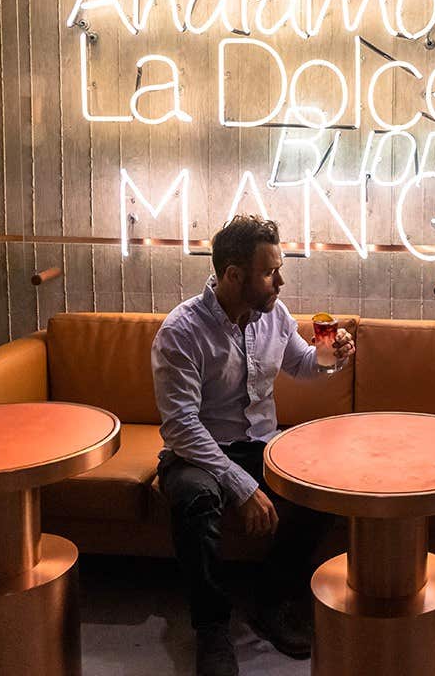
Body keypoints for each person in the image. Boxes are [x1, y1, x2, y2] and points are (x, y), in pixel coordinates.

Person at [152, 215, 354, 676]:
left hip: (262, 444)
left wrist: (332, 357)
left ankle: (272, 601)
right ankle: (212, 629)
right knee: (195, 500)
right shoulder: (182, 331)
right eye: (269, 272)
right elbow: (181, 426)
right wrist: (241, 486)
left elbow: (303, 364)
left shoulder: (274, 315)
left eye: (278, 270)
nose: (280, 282)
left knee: (323, 489)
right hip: (199, 452)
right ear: (233, 275)